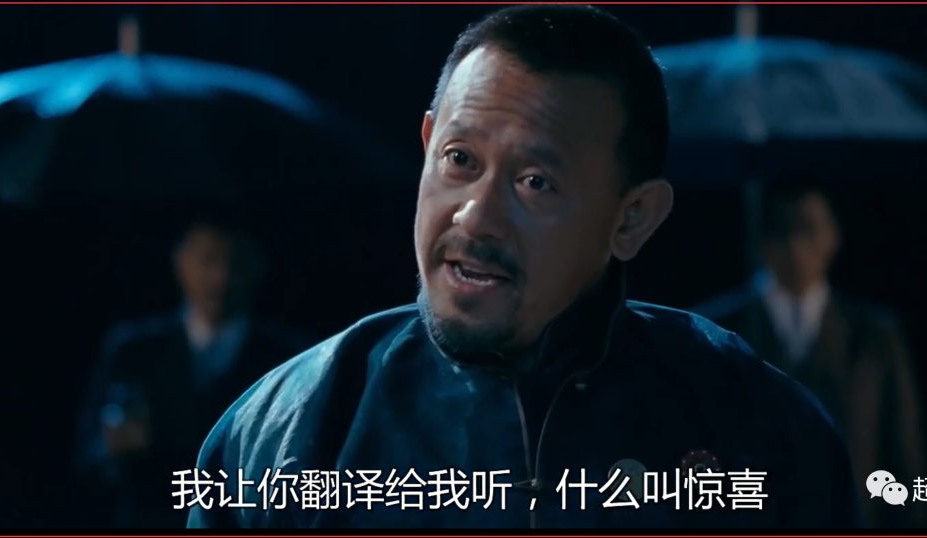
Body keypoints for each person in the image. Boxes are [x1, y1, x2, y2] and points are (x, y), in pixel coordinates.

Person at [188, 5, 860, 529]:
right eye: (459, 159)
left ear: (633, 218)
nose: (475, 217)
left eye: (535, 182)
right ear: (427, 143)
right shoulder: (287, 431)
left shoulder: (755, 426)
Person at [692, 180, 927, 528]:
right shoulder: (710, 331)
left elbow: (902, 455)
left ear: (833, 236)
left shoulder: (873, 336)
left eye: (809, 230)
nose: (796, 246)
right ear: (760, 239)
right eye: (781, 231)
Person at [75, 214, 314, 528]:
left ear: (258, 268)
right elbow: (87, 451)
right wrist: (114, 447)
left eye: (237, 264)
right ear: (181, 263)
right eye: (208, 260)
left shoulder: (291, 357)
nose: (221, 277)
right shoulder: (134, 350)